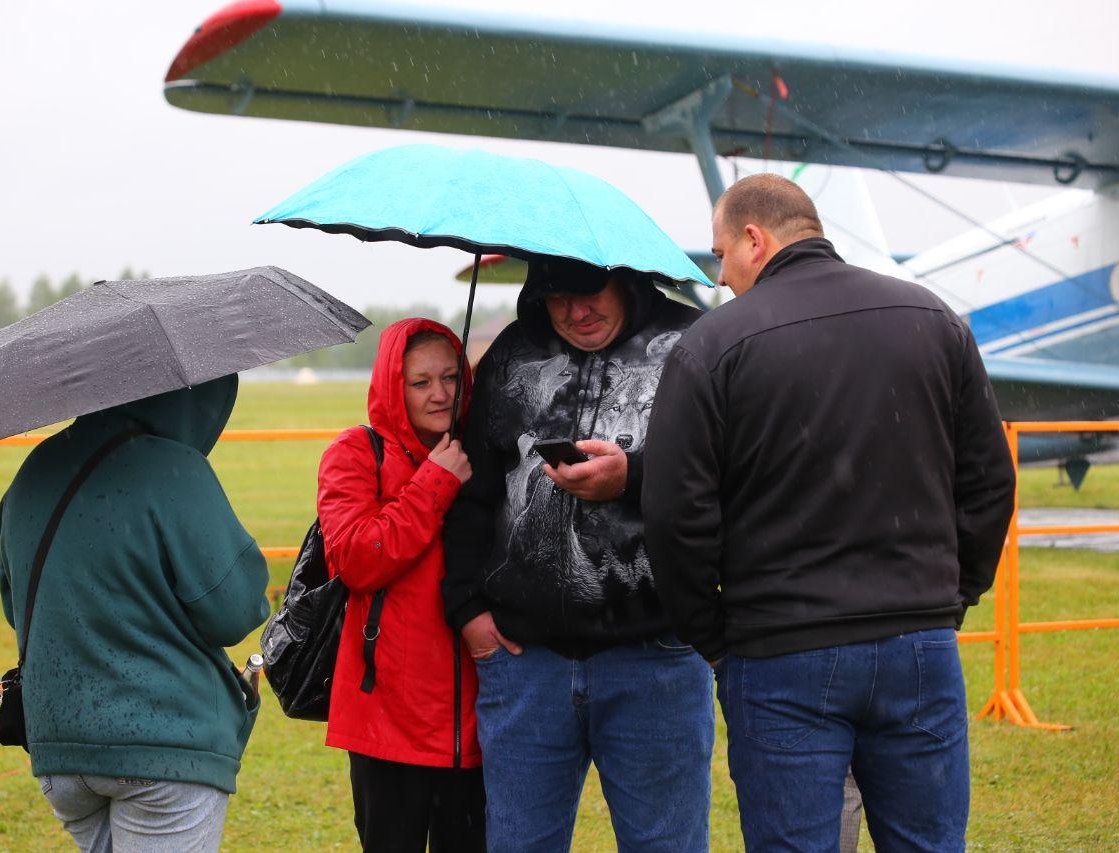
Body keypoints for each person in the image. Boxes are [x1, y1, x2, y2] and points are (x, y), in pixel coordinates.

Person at [643, 173, 1016, 851]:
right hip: (917, 641)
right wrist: (948, 597)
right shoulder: (931, 318)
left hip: (780, 649)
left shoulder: (713, 343)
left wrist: (716, 636)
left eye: (722, 253)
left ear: (755, 239)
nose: (721, 275)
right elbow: (990, 481)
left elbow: (673, 514)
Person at [442, 257, 712, 853]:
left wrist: (634, 478)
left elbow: (737, 476)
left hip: (658, 656)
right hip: (523, 662)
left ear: (628, 280)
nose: (574, 312)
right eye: (554, 298)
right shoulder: (513, 352)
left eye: (589, 293)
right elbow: (471, 486)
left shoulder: (696, 347)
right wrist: (467, 609)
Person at [0, 374, 270, 852]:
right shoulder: (174, 468)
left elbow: (15, 608)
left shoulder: (33, 470)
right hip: (165, 745)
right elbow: (235, 612)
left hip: (58, 742)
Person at [317, 318, 484, 852]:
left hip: (478, 721)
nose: (440, 394)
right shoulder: (354, 453)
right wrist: (434, 482)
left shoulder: (485, 453)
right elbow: (354, 559)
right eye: (420, 382)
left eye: (452, 377)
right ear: (394, 386)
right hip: (385, 716)